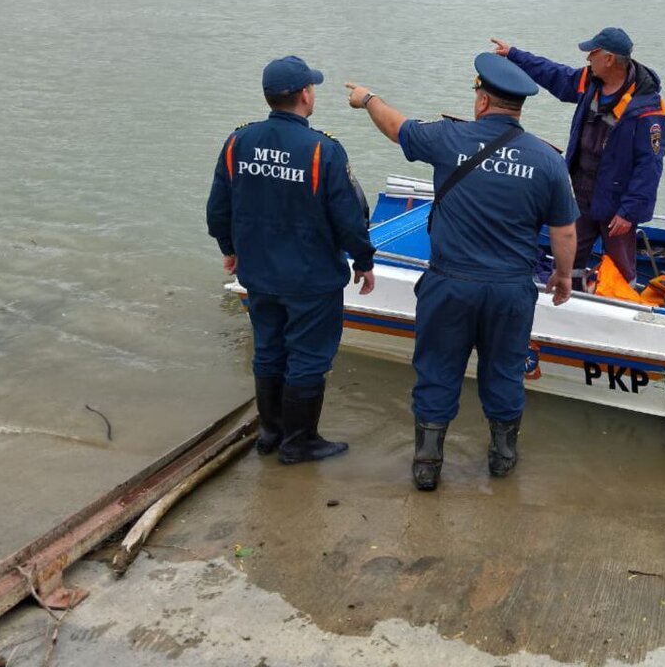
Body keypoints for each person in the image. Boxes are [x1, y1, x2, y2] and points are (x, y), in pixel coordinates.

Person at [345, 53, 577, 491]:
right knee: (505, 370)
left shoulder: (448, 138)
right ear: (518, 106)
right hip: (510, 289)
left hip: (450, 284)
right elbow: (564, 231)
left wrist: (368, 98)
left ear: (483, 101)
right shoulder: (547, 161)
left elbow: (397, 127)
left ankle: (428, 463)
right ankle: (502, 458)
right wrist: (563, 277)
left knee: (437, 368)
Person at [206, 55, 376, 466]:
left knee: (268, 348)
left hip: (259, 274)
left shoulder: (238, 142)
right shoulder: (323, 150)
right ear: (304, 95)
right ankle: (299, 442)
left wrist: (229, 248)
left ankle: (271, 432)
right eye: (312, 88)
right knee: (309, 356)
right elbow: (350, 217)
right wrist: (364, 260)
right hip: (310, 278)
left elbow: (218, 207)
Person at [491, 29, 665, 289]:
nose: (587, 59)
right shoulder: (590, 81)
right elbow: (555, 74)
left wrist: (629, 212)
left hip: (617, 202)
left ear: (608, 59)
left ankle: (618, 309)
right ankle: (562, 300)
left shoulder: (648, 107)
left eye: (592, 53)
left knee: (620, 269)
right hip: (580, 190)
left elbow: (650, 164)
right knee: (567, 256)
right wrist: (515, 55)